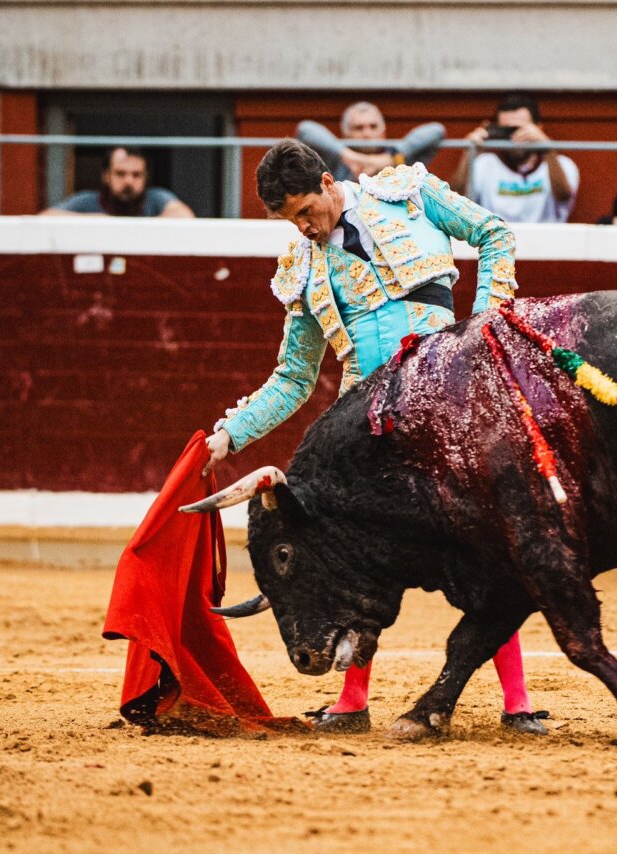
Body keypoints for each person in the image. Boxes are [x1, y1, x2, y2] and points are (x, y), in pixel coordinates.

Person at [203, 139, 547, 735]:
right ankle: (352, 701)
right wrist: (229, 436)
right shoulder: (304, 270)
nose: (305, 229)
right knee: (356, 559)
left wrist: (486, 321)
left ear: (329, 183)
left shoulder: (407, 194)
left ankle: (517, 702)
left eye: (307, 212)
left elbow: (495, 234)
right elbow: (291, 378)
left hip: (448, 398)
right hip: (365, 428)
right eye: (291, 222)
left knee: (489, 546)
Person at [451, 93, 579, 223]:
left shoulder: (562, 164)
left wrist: (548, 149)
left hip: (546, 239)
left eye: (519, 129)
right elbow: (455, 204)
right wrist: (469, 154)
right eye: (506, 131)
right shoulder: (484, 164)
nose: (514, 138)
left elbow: (563, 196)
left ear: (538, 129)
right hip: (497, 240)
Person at [296, 101, 446, 182]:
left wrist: (389, 158)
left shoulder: (400, 159)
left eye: (373, 127)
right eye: (359, 128)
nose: (367, 133)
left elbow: (437, 131)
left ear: (383, 131)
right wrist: (347, 155)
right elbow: (305, 129)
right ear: (347, 134)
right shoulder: (335, 159)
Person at [41, 146, 194, 218]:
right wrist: (94, 221)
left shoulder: (156, 198)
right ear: (106, 175)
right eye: (120, 174)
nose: (128, 181)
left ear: (145, 177)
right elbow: (45, 218)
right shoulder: (88, 201)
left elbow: (184, 215)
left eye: (136, 175)